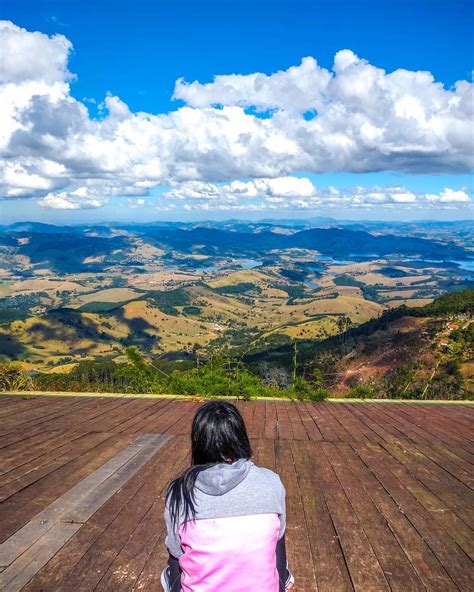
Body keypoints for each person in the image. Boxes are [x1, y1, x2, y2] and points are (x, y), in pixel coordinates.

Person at [161, 400, 294, 592]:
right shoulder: (271, 482)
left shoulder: (179, 492)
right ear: (240, 437)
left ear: (198, 442)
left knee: (173, 562)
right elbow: (278, 537)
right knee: (276, 539)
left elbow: (176, 551)